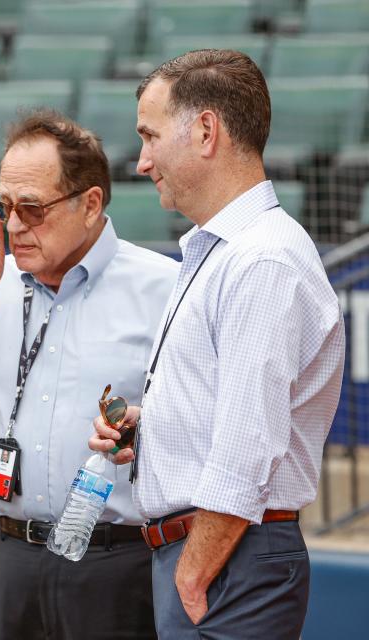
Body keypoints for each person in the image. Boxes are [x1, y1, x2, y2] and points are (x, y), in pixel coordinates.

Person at [88, 49, 346, 638]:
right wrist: (147, 422)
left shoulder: (263, 258)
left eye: (150, 136)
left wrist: (194, 571)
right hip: (220, 554)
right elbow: (229, 408)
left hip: (228, 556)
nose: (142, 160)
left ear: (206, 131)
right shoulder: (230, 250)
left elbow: (247, 442)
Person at [0, 109, 179, 640]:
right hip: (11, 556)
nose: (15, 225)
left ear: (90, 204)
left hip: (119, 561)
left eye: (33, 208)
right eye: (4, 206)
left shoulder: (166, 290)